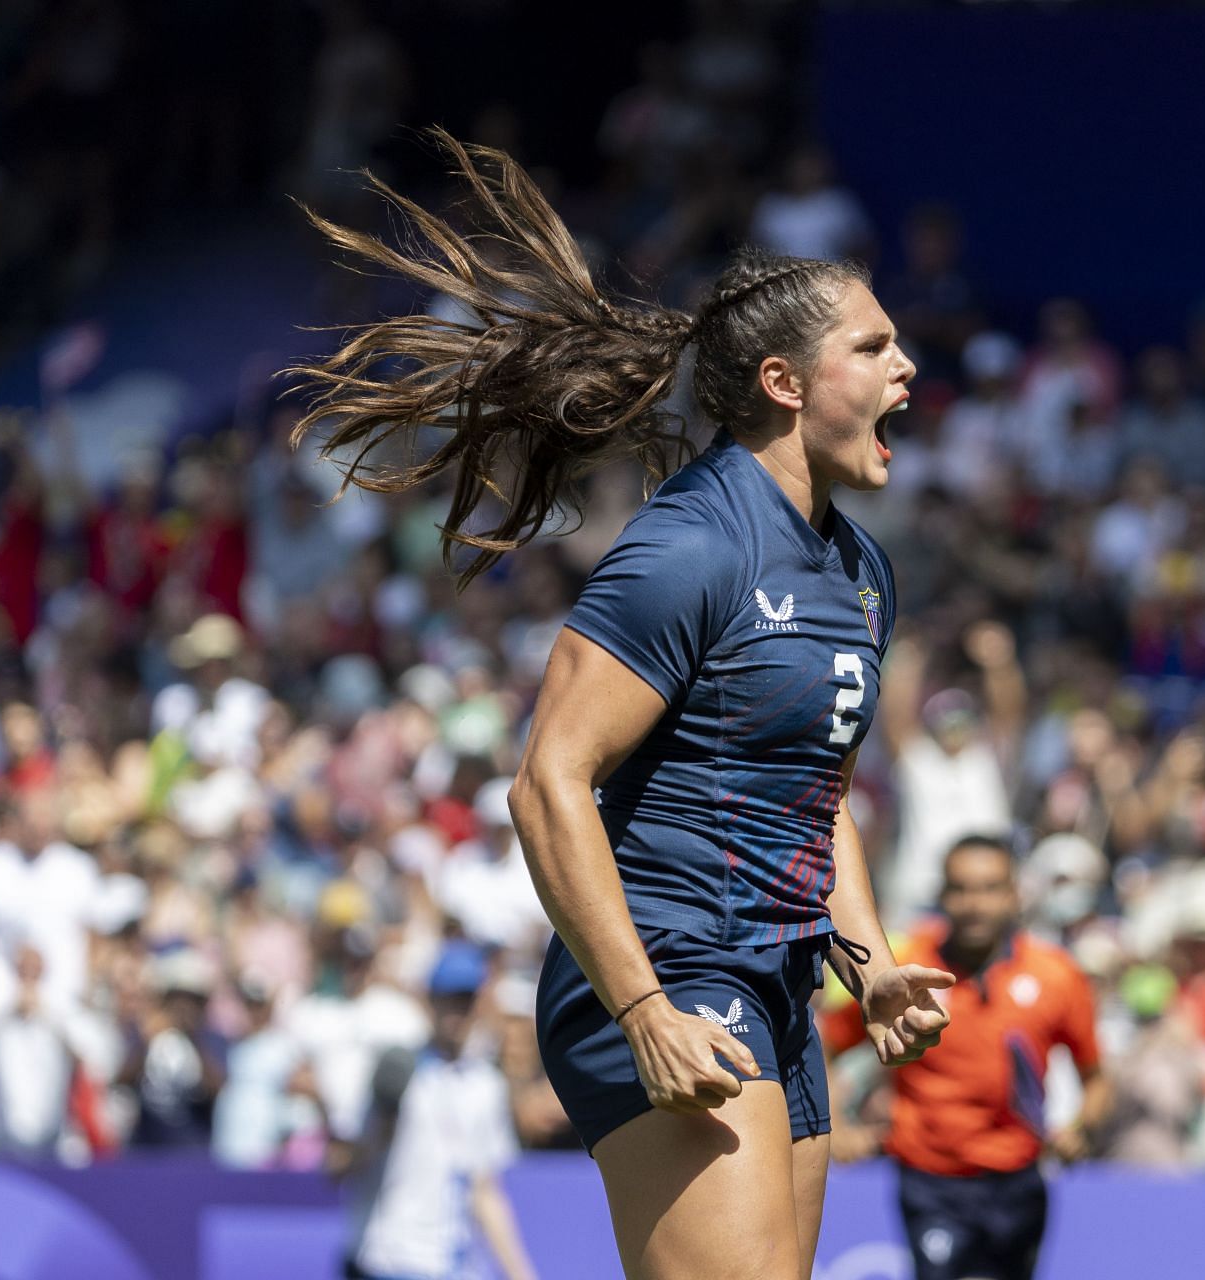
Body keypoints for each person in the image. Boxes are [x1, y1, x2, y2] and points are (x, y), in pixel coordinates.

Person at [289, 131, 952, 1280]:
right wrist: (640, 1002)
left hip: (780, 980)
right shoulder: (687, 547)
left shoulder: (861, 573)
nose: (907, 369)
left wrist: (869, 958)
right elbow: (547, 782)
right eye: (875, 345)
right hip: (666, 966)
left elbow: (813, 795)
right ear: (784, 383)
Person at [823, 836, 1111, 1280]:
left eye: (990, 888)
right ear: (942, 896)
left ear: (1015, 894)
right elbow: (825, 1043)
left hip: (1020, 1179)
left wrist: (1082, 1128)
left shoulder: (1057, 975)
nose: (974, 904)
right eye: (961, 889)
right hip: (931, 1181)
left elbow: (1096, 1078)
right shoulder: (905, 967)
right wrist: (839, 1126)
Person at [337, 943, 537, 1280]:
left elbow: (484, 1189)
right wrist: (381, 1120)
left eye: (465, 1000)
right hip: (389, 1258)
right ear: (431, 1001)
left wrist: (521, 1273)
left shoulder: (485, 1085)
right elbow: (345, 1165)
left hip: (453, 1265)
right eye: (449, 999)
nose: (457, 1012)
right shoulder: (399, 1069)